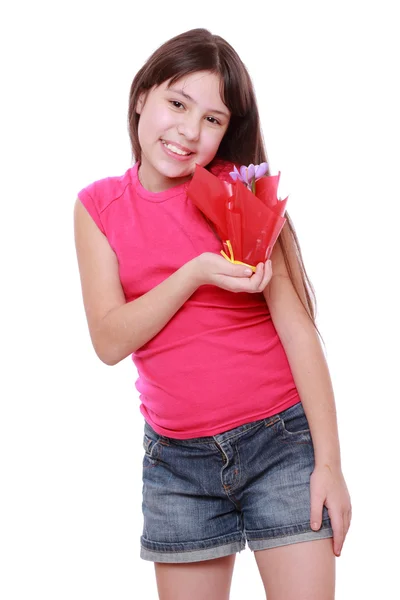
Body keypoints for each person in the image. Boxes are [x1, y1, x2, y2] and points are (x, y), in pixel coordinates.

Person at [74, 28, 351, 600]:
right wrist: (195, 272)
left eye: (212, 119)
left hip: (281, 445)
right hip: (178, 466)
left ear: (228, 131)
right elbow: (108, 340)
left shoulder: (238, 194)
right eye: (177, 103)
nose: (188, 131)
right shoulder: (98, 207)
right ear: (140, 98)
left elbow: (299, 333)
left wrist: (330, 464)